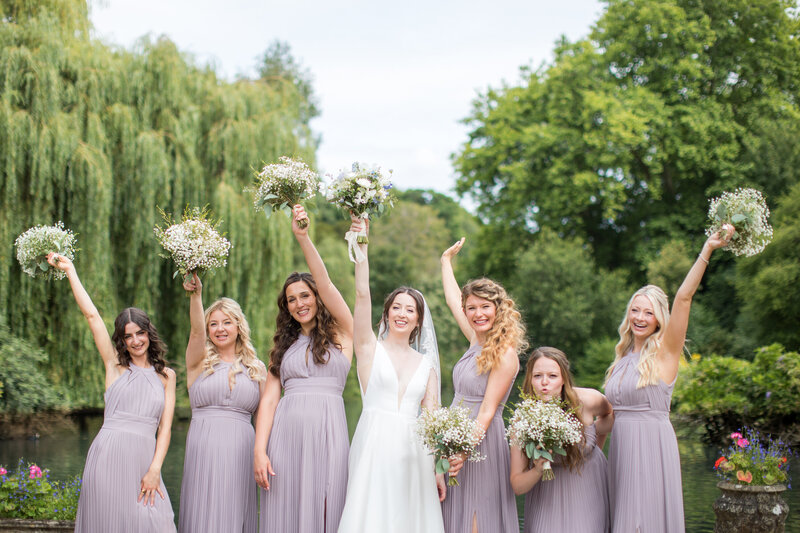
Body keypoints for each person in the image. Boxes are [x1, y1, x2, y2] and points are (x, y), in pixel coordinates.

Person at [604, 225, 734, 532]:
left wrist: (708, 249)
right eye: (635, 310)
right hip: (621, 449)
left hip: (652, 446)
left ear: (659, 318)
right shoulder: (621, 358)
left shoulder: (665, 352)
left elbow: (684, 298)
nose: (639, 318)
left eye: (648, 313)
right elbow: (608, 414)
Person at [47, 253, 176, 533]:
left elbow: (165, 430)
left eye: (139, 333)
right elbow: (92, 316)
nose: (135, 341)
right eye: (128, 336)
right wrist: (70, 270)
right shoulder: (114, 365)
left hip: (144, 458)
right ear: (121, 339)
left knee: (157, 521)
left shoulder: (166, 376)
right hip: (108, 455)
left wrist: (155, 469)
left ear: (148, 333)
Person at [337, 216, 446, 533]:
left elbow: (432, 421)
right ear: (386, 313)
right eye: (396, 307)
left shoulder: (427, 367)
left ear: (418, 321)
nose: (402, 313)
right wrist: (361, 248)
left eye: (410, 310)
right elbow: (361, 295)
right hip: (374, 445)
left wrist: (438, 469)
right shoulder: (369, 348)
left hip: (415, 456)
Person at [256, 205, 354, 533]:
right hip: (286, 435)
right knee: (286, 510)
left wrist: (304, 238)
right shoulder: (284, 346)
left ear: (317, 297)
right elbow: (269, 401)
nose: (300, 303)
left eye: (305, 295)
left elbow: (326, 282)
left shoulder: (343, 332)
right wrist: (260, 450)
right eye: (292, 299)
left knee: (329, 503)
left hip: (329, 430)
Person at [439, 238, 526, 533]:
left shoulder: (505, 353)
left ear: (498, 308)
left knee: (476, 518)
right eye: (472, 308)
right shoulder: (476, 339)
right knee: (453, 514)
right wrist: (445, 261)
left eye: (485, 307)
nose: (477, 314)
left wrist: (463, 449)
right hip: (455, 440)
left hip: (480, 444)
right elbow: (453, 300)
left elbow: (487, 411)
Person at [178, 274, 265, 532]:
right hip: (204, 445)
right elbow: (195, 332)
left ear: (238, 326)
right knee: (202, 509)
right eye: (213, 324)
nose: (220, 329)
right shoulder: (198, 362)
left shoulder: (256, 369)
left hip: (242, 449)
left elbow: (263, 419)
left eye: (227, 322)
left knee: (235, 509)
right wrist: (195, 296)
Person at [510, 346, 613, 533]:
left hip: (588, 491)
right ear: (530, 379)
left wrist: (594, 444)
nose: (544, 383)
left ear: (564, 378)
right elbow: (517, 485)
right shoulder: (522, 419)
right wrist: (538, 468)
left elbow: (610, 415)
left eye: (552, 376)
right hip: (546, 499)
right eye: (537, 376)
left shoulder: (587, 401)